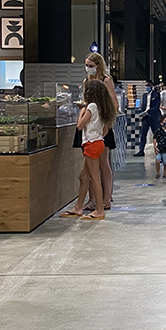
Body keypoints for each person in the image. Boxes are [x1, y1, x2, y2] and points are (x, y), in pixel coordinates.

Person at [59, 79, 117, 220]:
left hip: (91, 144)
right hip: (97, 142)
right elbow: (105, 130)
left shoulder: (91, 106)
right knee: (83, 176)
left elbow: (80, 125)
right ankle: (78, 207)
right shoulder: (102, 107)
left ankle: (99, 210)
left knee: (94, 178)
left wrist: (82, 111)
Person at [80, 53, 118, 212]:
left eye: (91, 65)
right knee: (89, 165)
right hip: (89, 126)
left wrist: (106, 124)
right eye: (86, 65)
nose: (88, 68)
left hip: (102, 125)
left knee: (103, 162)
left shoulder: (105, 80)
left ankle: (106, 197)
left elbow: (114, 104)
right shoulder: (86, 81)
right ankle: (92, 199)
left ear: (98, 65)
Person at [134, 81, 161, 156]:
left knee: (156, 133)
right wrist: (142, 113)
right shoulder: (144, 95)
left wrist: (149, 112)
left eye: (148, 85)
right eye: (146, 86)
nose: (147, 87)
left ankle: (160, 148)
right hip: (146, 117)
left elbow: (157, 106)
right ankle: (141, 150)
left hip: (154, 117)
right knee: (143, 134)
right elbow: (143, 105)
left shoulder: (156, 94)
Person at [153, 115, 166, 179]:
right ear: (161, 123)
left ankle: (165, 174)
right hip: (159, 148)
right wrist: (155, 146)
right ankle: (157, 173)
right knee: (158, 161)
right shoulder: (158, 131)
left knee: (165, 163)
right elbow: (155, 138)